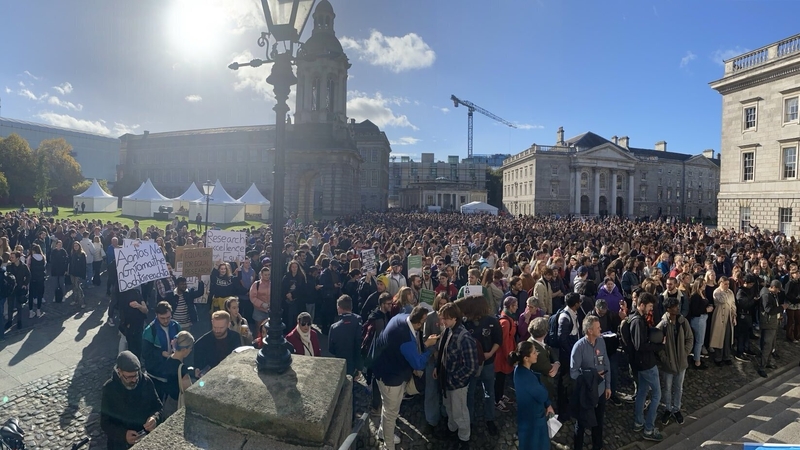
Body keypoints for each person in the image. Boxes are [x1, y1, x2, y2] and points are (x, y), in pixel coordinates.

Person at [372, 305, 438, 450]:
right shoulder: (406, 338)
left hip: (381, 369)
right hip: (391, 379)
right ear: (419, 323)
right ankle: (388, 446)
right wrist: (429, 348)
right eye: (424, 321)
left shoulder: (399, 318)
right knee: (391, 413)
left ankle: (383, 432)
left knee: (387, 406)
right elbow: (418, 363)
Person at [434, 302, 478, 450]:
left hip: (456, 384)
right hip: (446, 381)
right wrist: (438, 368)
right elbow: (443, 352)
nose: (442, 321)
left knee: (460, 412)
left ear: (454, 318)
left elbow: (471, 367)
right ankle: (452, 431)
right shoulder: (449, 330)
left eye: (445, 318)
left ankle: (464, 439)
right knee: (450, 409)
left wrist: (454, 378)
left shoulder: (464, 338)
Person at [458, 295, 503, 436]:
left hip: (488, 363)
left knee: (489, 391)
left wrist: (490, 353)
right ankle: (469, 420)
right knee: (469, 393)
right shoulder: (466, 322)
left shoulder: (492, 321)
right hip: (471, 364)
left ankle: (490, 419)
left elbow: (498, 340)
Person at [100, 351, 163, 450]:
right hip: (120, 445)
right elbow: (105, 423)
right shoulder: (109, 389)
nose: (134, 380)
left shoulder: (146, 382)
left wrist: (155, 418)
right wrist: (123, 435)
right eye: (129, 377)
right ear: (119, 372)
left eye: (136, 375)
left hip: (146, 439)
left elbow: (158, 407)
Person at [570, 315, 611, 450]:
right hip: (586, 393)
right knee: (581, 423)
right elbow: (574, 372)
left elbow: (606, 364)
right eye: (598, 328)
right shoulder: (579, 347)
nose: (601, 329)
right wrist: (591, 375)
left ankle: (597, 446)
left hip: (600, 389)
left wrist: (608, 386)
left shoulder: (601, 342)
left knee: (599, 421)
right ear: (589, 331)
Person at [630, 292, 664, 442]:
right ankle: (649, 429)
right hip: (647, 364)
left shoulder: (636, 318)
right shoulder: (637, 321)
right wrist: (658, 346)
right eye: (649, 306)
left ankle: (638, 422)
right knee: (657, 395)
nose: (651, 309)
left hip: (641, 364)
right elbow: (640, 345)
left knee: (643, 392)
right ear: (642, 305)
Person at [509, 340, 554, 450]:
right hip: (533, 420)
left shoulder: (519, 370)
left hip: (526, 416)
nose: (536, 354)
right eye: (534, 352)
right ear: (526, 358)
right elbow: (543, 395)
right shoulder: (527, 378)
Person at [656, 296, 693, 426]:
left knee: (679, 388)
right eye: (675, 307)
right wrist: (664, 359)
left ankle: (676, 409)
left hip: (681, 363)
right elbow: (658, 345)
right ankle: (667, 409)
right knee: (667, 389)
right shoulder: (662, 325)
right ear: (668, 309)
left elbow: (689, 338)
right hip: (668, 364)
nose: (678, 308)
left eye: (678, 306)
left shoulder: (683, 322)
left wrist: (685, 353)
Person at [142, 301, 182, 401]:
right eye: (162, 318)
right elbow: (145, 353)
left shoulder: (176, 326)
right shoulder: (150, 330)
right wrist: (161, 353)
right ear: (156, 315)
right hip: (156, 375)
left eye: (168, 317)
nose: (166, 321)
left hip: (172, 372)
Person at [193, 311, 241, 378]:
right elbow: (198, 365)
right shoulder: (201, 343)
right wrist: (197, 370)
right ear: (212, 322)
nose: (217, 330)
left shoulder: (235, 337)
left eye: (221, 328)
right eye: (215, 327)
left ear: (228, 325)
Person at [161, 331, 194, 418]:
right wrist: (201, 382)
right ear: (184, 350)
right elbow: (188, 390)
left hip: (168, 400)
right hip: (177, 403)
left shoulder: (169, 358)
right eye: (190, 348)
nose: (191, 350)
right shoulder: (182, 369)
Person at [328, 295, 362, 377]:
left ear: (339, 308)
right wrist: (359, 366)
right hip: (354, 364)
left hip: (341, 363)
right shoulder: (358, 322)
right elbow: (359, 345)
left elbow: (331, 349)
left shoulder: (334, 327)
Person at [494, 296, 518, 412]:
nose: (517, 308)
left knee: (501, 379)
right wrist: (509, 356)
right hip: (502, 356)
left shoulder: (507, 318)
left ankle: (500, 395)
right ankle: (497, 400)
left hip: (505, 354)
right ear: (509, 306)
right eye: (515, 305)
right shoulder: (505, 322)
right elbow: (503, 342)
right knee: (499, 378)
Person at [757, 280, 784, 378]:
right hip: (768, 324)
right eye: (778, 289)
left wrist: (778, 315)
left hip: (773, 323)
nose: (779, 291)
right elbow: (768, 310)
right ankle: (762, 367)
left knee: (771, 344)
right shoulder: (766, 295)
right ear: (773, 287)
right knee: (767, 345)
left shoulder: (772, 294)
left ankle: (767, 362)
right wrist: (781, 308)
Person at [687, 277, 712, 370]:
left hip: (703, 318)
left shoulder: (702, 293)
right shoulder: (695, 296)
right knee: (699, 341)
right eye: (703, 284)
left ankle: (697, 358)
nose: (705, 285)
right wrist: (706, 310)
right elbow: (694, 310)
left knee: (699, 340)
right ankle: (697, 361)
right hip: (698, 320)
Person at [710, 276, 736, 366]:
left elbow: (733, 304)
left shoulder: (730, 292)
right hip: (719, 316)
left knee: (727, 337)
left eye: (728, 284)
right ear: (720, 283)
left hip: (728, 316)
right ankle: (718, 358)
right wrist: (723, 290)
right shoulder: (717, 292)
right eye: (725, 284)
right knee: (719, 337)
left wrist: (734, 316)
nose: (727, 286)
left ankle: (727, 356)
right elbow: (722, 300)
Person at [118, 287, 149, 360]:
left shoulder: (137, 293)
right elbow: (121, 311)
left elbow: (145, 310)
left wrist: (138, 306)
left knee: (137, 348)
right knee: (127, 344)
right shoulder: (122, 295)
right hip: (128, 327)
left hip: (138, 326)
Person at [7, 251, 29, 329]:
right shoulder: (9, 266)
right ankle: (9, 321)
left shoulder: (24, 266)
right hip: (11, 289)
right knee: (10, 306)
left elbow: (28, 275)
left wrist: (25, 284)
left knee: (19, 306)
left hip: (19, 289)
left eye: (12, 257)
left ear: (18, 258)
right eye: (10, 257)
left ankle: (19, 322)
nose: (11, 258)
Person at [26, 244, 46, 319]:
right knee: (40, 294)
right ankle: (38, 310)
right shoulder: (43, 257)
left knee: (31, 295)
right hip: (40, 278)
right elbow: (44, 266)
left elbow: (27, 267)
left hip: (32, 278)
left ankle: (31, 311)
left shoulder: (30, 257)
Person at [68, 242, 87, 308]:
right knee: (74, 287)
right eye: (74, 246)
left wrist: (83, 275)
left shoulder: (82, 254)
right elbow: (71, 264)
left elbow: (84, 266)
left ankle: (82, 302)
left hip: (78, 274)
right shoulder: (72, 253)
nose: (75, 247)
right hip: (72, 273)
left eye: (77, 246)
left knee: (78, 287)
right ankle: (75, 300)